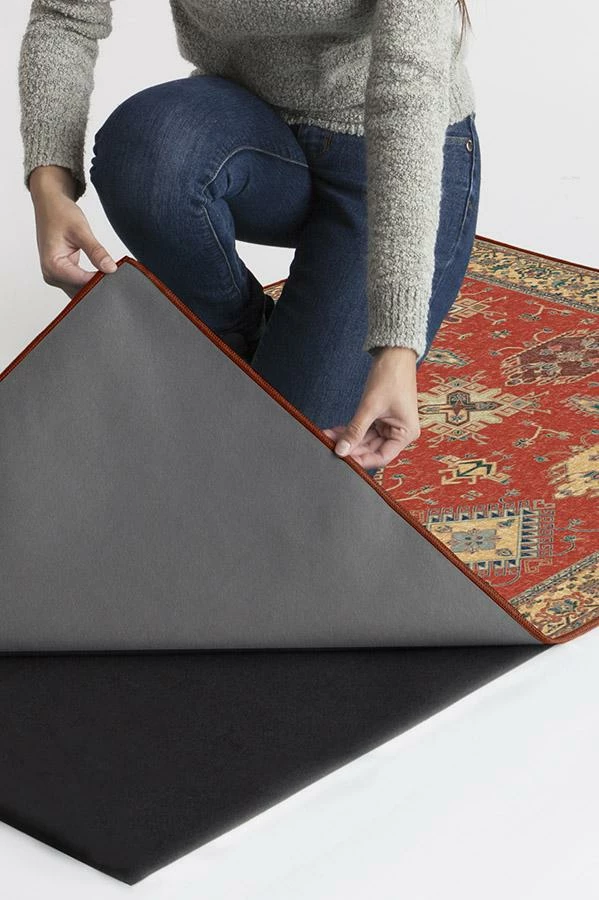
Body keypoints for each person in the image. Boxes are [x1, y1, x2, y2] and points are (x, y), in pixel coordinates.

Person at [18, 0, 480, 477]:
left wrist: (397, 344)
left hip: (400, 150)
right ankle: (242, 337)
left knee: (286, 467)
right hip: (254, 131)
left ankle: (284, 365)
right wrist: (49, 188)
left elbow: (408, 84)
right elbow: (66, 15)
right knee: (146, 153)